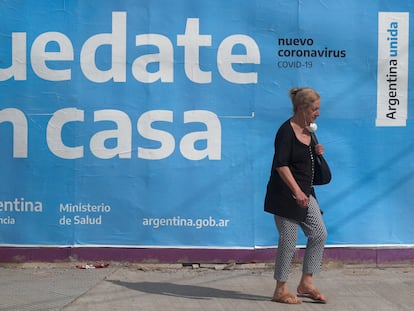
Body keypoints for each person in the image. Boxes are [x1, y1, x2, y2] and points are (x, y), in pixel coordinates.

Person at [264, 87, 328, 304]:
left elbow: (303, 162)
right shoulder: (286, 132)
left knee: (319, 233)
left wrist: (316, 151)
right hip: (285, 194)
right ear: (302, 108)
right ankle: (280, 289)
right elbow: (281, 165)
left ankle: (306, 283)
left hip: (306, 193)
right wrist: (297, 191)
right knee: (289, 240)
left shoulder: (309, 131)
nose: (318, 113)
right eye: (315, 109)